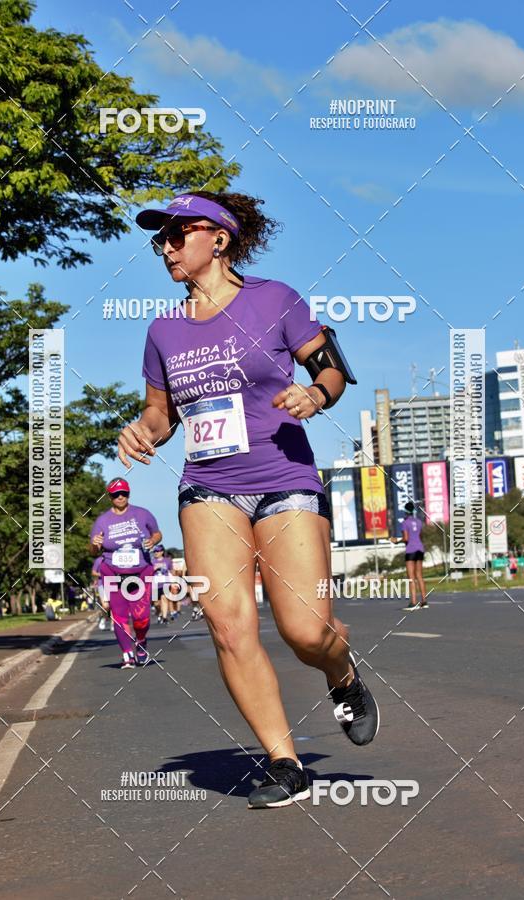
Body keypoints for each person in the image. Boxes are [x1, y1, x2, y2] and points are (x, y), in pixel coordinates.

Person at [118, 190, 379, 809]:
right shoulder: (163, 331)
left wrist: (317, 394)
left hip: (285, 476)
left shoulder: (275, 300)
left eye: (179, 234)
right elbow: (162, 414)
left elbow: (332, 367)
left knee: (306, 630)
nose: (167, 246)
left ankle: (342, 675)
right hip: (209, 487)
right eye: (162, 238)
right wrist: (142, 431)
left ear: (220, 238)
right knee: (230, 626)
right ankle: (284, 762)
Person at [90, 478, 162, 668]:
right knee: (119, 615)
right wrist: (95, 544)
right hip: (112, 571)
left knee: (141, 617)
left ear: (129, 494)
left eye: (124, 493)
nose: (120, 497)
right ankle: (127, 654)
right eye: (116, 494)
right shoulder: (102, 521)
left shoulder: (142, 514)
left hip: (141, 570)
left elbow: (157, 533)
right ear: (110, 497)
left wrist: (153, 541)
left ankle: (141, 642)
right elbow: (92, 550)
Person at [392, 501, 428, 610]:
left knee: (411, 577)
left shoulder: (405, 522)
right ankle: (424, 601)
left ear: (406, 511)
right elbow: (419, 536)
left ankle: (413, 602)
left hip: (411, 550)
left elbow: (406, 539)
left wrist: (396, 541)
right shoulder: (419, 522)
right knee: (420, 576)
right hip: (420, 549)